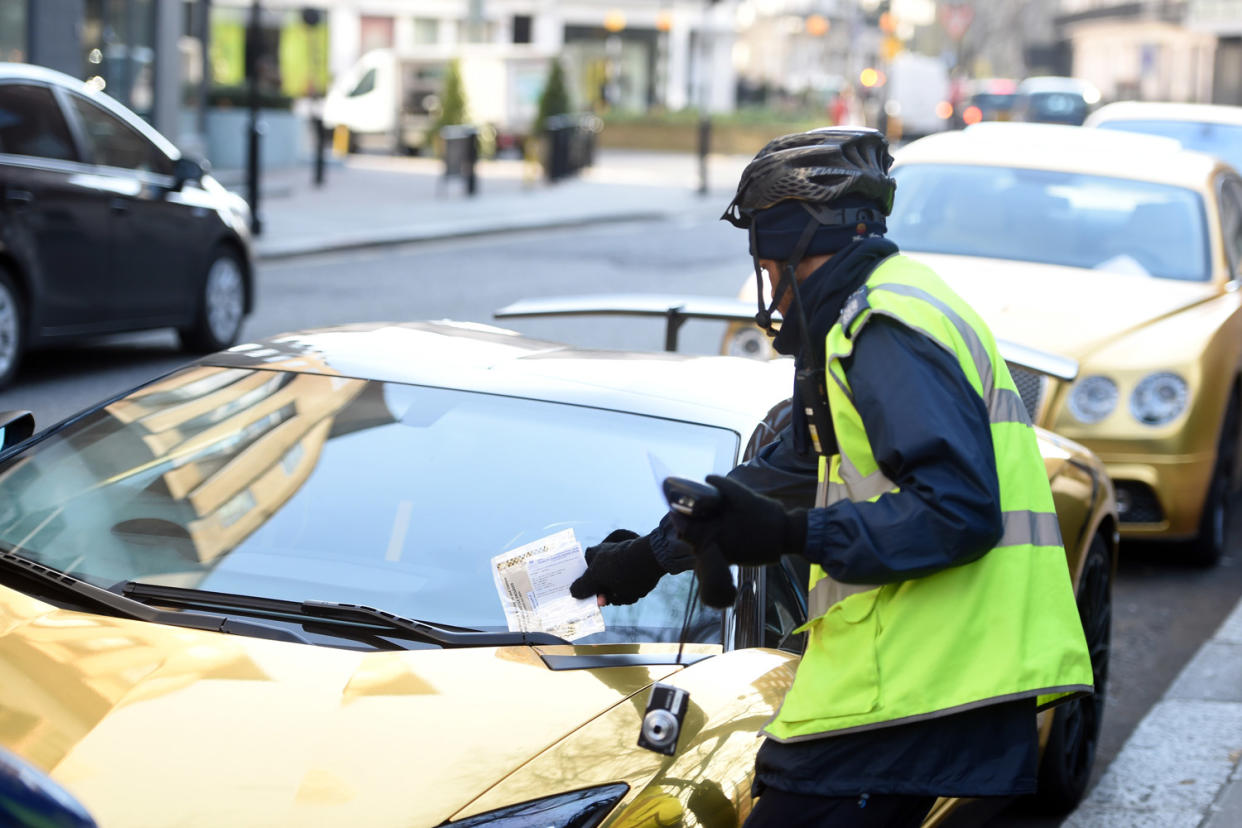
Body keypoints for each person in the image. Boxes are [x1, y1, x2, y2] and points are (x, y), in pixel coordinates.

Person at [570, 127, 1094, 827]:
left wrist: (794, 533)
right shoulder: (864, 316)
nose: (766, 280)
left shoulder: (883, 328)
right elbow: (783, 472)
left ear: (789, 243)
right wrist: (651, 555)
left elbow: (958, 512)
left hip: (917, 685)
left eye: (763, 252)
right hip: (914, 682)